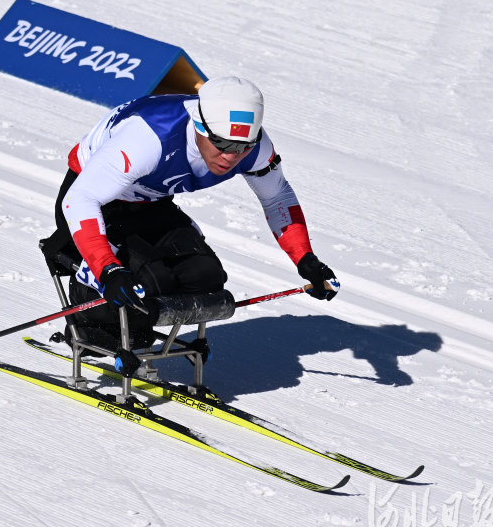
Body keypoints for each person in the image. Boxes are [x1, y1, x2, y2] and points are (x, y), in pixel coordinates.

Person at [42, 76, 338, 351]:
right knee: (147, 283)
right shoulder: (149, 137)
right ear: (198, 125)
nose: (231, 157)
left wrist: (305, 258)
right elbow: (80, 199)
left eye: (242, 147)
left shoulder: (255, 146)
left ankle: (136, 323)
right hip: (93, 203)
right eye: (221, 144)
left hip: (151, 202)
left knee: (205, 277)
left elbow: (278, 198)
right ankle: (87, 322)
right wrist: (108, 269)